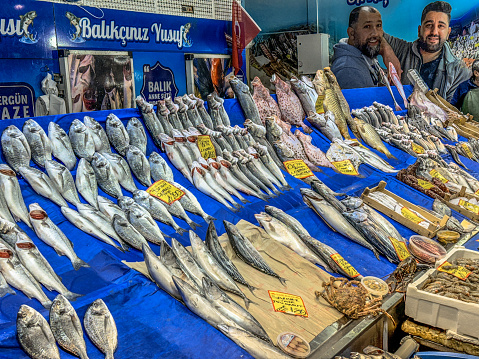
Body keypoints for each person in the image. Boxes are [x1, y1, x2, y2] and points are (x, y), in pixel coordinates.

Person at [381, 1, 470, 102]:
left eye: (441, 26)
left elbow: (453, 113)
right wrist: (387, 51)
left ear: (448, 32)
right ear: (419, 30)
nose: (434, 32)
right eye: (428, 25)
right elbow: (374, 34)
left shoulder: (459, 72)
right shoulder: (402, 49)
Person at [330, 6, 385, 89]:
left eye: (378, 25)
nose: (375, 33)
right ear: (352, 33)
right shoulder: (348, 70)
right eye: (367, 26)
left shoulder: (364, 53)